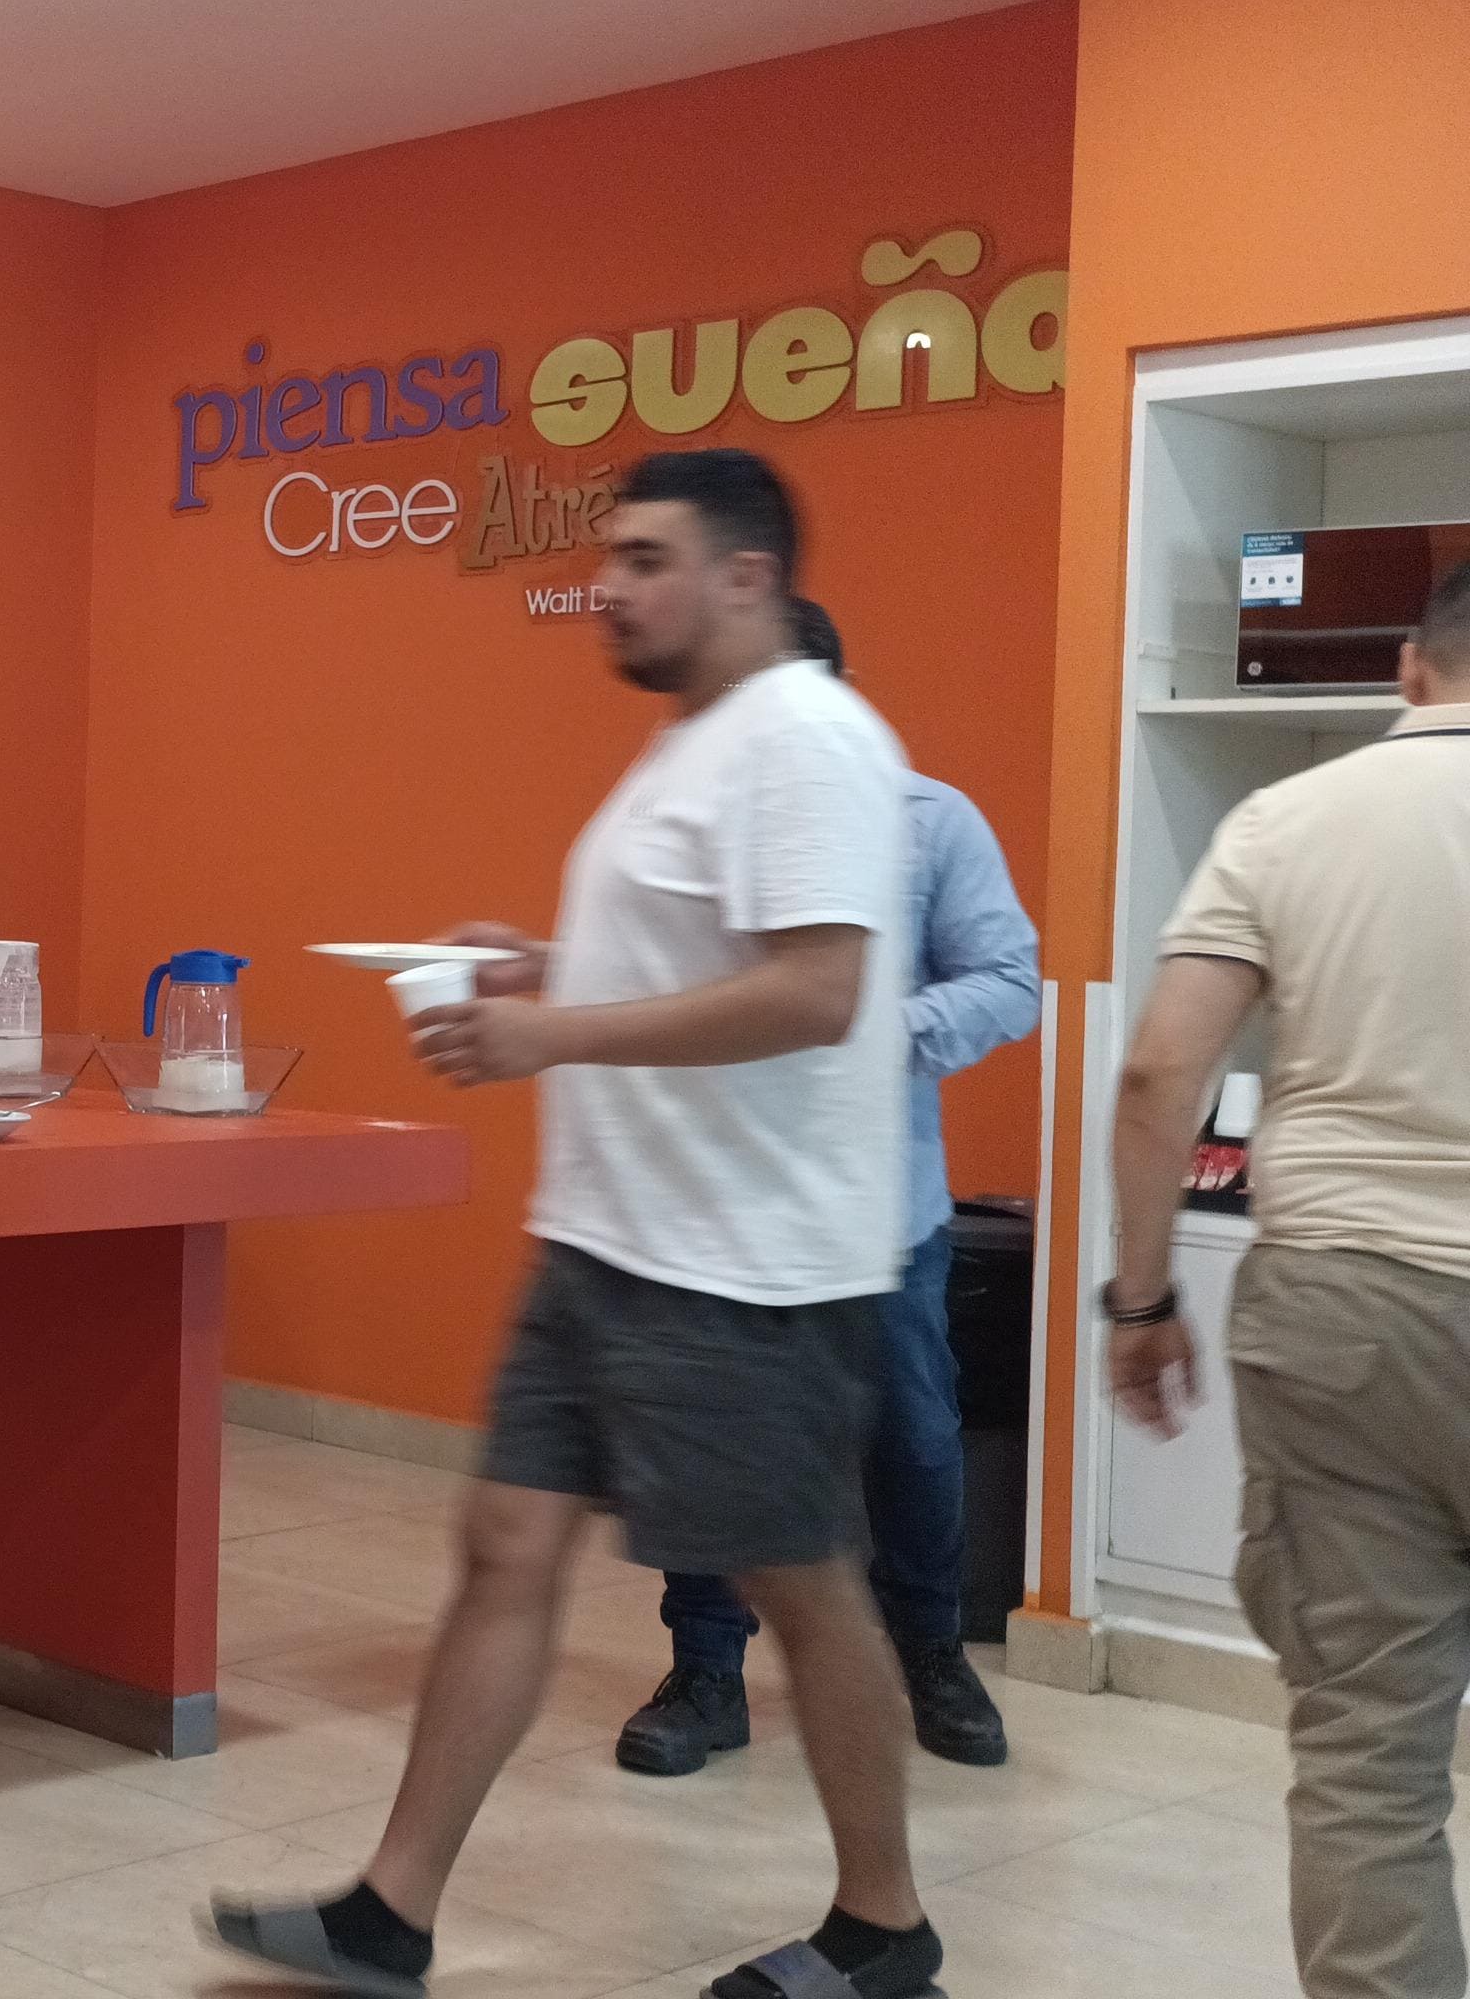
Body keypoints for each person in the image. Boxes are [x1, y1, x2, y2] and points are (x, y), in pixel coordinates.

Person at [215, 449, 941, 1999]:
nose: (607, 586)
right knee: (504, 1547)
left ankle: (885, 1928)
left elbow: (819, 991)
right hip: (609, 1239)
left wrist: (552, 1034)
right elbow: (704, 953)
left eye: (645, 559)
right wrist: (550, 962)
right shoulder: (692, 741)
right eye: (609, 556)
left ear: (746, 577)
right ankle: (390, 1913)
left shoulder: (809, 738)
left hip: (741, 1261)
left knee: (802, 1584)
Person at [1110, 561, 1470, 1999]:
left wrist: (1142, 1300)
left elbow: (1160, 1074)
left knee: (1369, 1762)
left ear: (1409, 668)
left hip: (1344, 1314)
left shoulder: (1286, 819)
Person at [621, 596, 1037, 1778]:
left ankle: (932, 1654)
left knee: (912, 1438)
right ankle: (707, 1671)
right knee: (711, 1436)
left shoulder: (929, 822)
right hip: (711, 1202)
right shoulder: (678, 833)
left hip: (875, 1211)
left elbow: (1010, 978)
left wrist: (879, 1031)